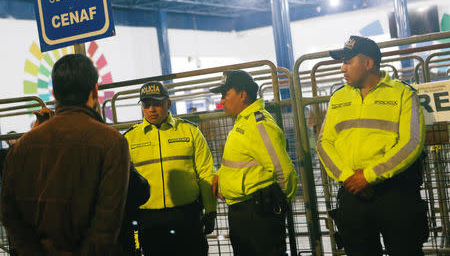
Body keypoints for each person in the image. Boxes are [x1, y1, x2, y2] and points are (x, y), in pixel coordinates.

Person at [1, 54, 130, 255]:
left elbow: (10, 214)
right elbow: (107, 224)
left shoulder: (22, 147)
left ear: (54, 93)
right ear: (95, 91)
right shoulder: (112, 142)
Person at [317, 36, 428, 256]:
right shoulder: (337, 98)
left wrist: (367, 176)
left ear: (368, 64)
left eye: (348, 61)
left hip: (396, 194)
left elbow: (411, 142)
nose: (342, 68)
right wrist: (349, 176)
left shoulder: (402, 94)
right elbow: (324, 143)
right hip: (352, 194)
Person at [210, 70, 298, 256]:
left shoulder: (258, 124)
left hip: (258, 213)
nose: (222, 101)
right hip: (246, 213)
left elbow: (284, 172)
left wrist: (276, 205)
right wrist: (222, 177)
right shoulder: (244, 122)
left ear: (242, 95)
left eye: (225, 95)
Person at [124, 81, 217, 256]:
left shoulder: (190, 132)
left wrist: (211, 210)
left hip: (187, 216)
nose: (151, 109)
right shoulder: (130, 139)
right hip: (149, 221)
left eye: (157, 103)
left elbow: (206, 173)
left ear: (168, 103)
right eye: (146, 104)